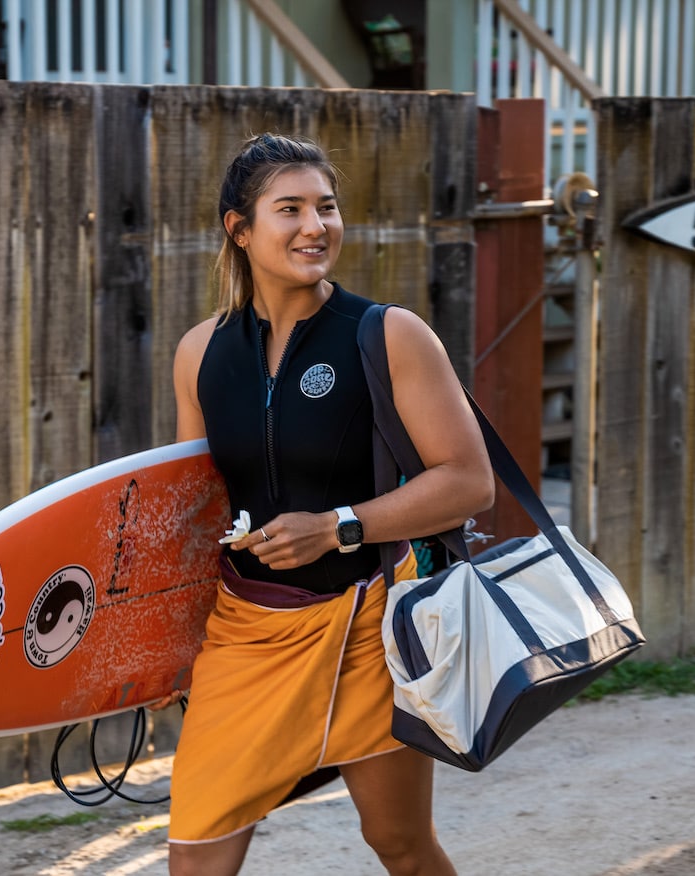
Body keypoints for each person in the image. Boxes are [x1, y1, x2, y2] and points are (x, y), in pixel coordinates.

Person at [160, 133, 494, 875]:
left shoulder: (388, 335)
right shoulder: (199, 353)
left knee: (400, 846)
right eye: (290, 209)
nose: (316, 226)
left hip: (367, 631)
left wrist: (340, 526)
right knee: (195, 859)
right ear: (238, 229)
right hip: (243, 639)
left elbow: (469, 481)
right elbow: (193, 515)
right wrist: (166, 650)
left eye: (326, 206)